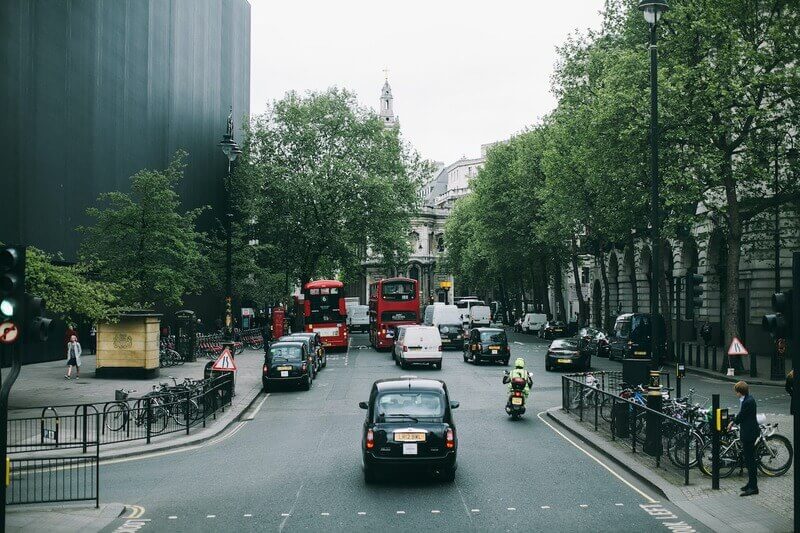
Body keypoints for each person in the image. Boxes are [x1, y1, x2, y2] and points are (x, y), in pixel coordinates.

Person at [728, 380, 758, 496]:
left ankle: (753, 487)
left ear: (740, 392)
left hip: (749, 434)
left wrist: (732, 422)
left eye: (736, 391)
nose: (736, 394)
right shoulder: (747, 399)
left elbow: (741, 416)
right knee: (749, 459)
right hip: (749, 432)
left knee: (750, 461)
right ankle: (750, 484)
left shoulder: (747, 402)